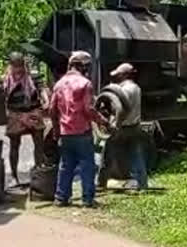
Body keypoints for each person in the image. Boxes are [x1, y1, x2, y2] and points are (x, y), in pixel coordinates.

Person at [49, 51, 107, 207]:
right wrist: (102, 120)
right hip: (82, 132)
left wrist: (56, 131)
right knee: (87, 165)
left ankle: (61, 198)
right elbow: (89, 109)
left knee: (65, 165)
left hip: (65, 133)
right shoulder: (85, 84)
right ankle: (88, 199)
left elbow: (51, 110)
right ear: (83, 66)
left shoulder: (59, 84)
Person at [2, 52, 46, 184]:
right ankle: (14, 176)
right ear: (11, 65)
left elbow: (42, 88)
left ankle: (39, 171)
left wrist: (46, 99)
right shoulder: (5, 80)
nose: (18, 69)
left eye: (20, 65)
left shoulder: (33, 77)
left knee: (39, 142)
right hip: (15, 113)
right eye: (15, 66)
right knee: (14, 145)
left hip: (33, 111)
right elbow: (0, 96)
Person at [110, 63, 147, 191]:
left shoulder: (124, 90)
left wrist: (116, 124)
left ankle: (101, 181)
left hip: (123, 127)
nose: (117, 77)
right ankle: (142, 183)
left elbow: (120, 109)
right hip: (135, 125)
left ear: (124, 75)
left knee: (108, 153)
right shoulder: (136, 88)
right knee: (136, 155)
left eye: (119, 74)